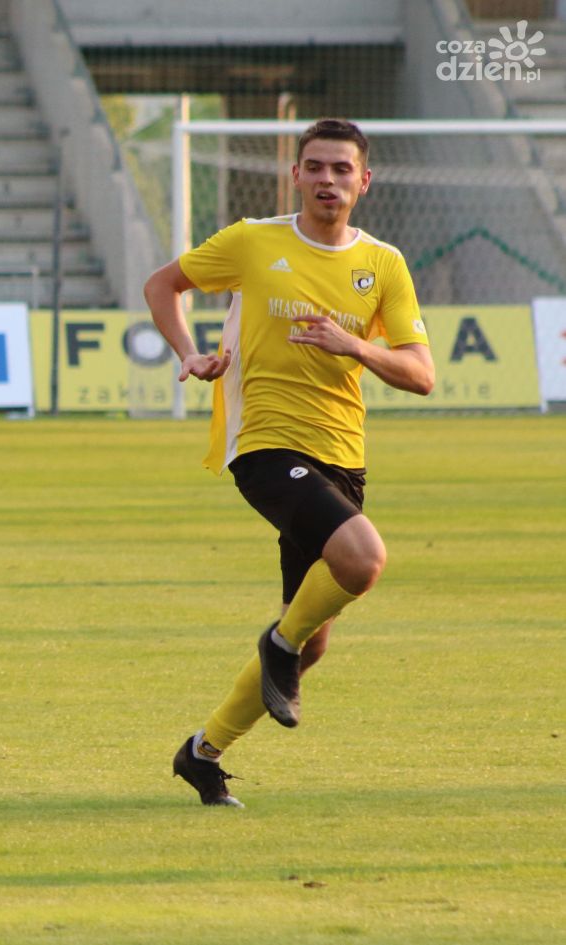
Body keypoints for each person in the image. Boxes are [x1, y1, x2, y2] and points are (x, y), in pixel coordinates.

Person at [143, 118, 435, 807]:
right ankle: (276, 644)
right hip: (265, 445)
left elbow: (421, 374)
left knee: (312, 644)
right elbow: (163, 285)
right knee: (363, 559)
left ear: (364, 181)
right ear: (295, 175)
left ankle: (202, 751)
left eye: (342, 169)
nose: (328, 179)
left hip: (343, 457)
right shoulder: (253, 241)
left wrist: (355, 346)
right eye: (316, 167)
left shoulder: (383, 264)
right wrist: (188, 353)